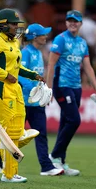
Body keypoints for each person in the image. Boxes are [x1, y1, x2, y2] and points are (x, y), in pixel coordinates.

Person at [0, 8, 44, 183]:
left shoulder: (14, 43)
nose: (17, 28)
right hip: (1, 88)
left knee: (18, 132)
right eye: (14, 24)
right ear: (3, 25)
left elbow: (17, 68)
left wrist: (32, 75)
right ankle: (9, 174)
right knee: (10, 131)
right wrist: (5, 75)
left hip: (14, 88)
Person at [46, 10, 96, 176]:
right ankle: (55, 155)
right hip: (61, 85)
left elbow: (87, 67)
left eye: (76, 21)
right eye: (69, 21)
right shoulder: (60, 40)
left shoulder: (82, 43)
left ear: (80, 24)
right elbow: (51, 64)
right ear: (66, 22)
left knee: (66, 121)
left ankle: (60, 161)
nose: (72, 23)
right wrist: (49, 89)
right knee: (74, 120)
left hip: (76, 87)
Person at [18, 23, 64, 176]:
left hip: (35, 102)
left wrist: (42, 91)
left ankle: (46, 167)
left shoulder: (38, 52)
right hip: (23, 102)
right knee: (14, 134)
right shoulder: (26, 53)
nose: (46, 36)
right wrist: (33, 89)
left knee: (41, 134)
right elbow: (19, 75)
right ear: (34, 37)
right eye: (43, 34)